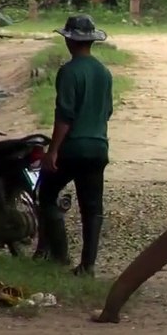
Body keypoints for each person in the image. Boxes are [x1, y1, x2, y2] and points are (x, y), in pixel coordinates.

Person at [34, 14, 114, 277]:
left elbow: (65, 116)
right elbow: (107, 111)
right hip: (99, 147)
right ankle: (87, 266)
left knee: (46, 194)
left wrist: (53, 150)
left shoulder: (68, 72)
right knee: (92, 208)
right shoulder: (104, 72)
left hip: (74, 148)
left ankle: (59, 254)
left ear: (69, 40)